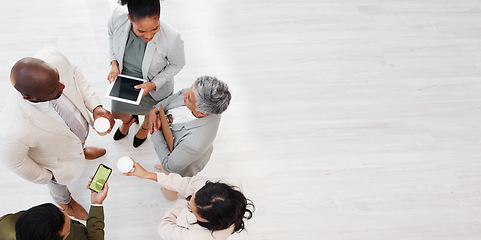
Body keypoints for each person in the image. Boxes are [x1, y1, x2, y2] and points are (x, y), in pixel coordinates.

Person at [0, 47, 115, 220]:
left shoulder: (51, 58)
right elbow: (16, 163)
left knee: (76, 143)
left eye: (59, 80)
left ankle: (81, 152)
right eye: (54, 89)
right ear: (29, 97)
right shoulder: (12, 129)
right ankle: (65, 202)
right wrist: (48, 176)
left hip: (75, 136)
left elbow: (73, 69)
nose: (63, 86)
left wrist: (96, 107)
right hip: (55, 164)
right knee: (58, 184)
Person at [107, 0, 186, 148]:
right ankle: (128, 121)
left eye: (155, 29)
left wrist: (154, 84)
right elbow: (111, 35)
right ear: (130, 18)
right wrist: (114, 63)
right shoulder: (117, 17)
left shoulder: (172, 37)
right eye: (141, 31)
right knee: (116, 113)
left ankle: (144, 128)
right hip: (125, 80)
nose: (149, 35)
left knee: (150, 115)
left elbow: (177, 64)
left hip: (154, 88)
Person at [124, 160, 255, 240]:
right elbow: (187, 184)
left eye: (191, 209)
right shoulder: (231, 184)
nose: (189, 200)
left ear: (206, 221)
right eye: (193, 197)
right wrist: (147, 175)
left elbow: (164, 227)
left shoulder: (197, 236)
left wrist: (181, 204)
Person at [149, 76, 231, 199]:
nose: (185, 93)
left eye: (189, 97)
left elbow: (169, 166)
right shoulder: (199, 95)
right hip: (174, 147)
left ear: (202, 112)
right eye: (191, 89)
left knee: (169, 183)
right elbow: (182, 92)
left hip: (183, 164)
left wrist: (155, 128)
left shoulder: (195, 143)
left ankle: (170, 194)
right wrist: (156, 109)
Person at [0, 179, 109, 240]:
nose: (72, 220)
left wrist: (95, 202)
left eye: (62, 211)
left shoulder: (5, 223)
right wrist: (96, 204)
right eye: (68, 230)